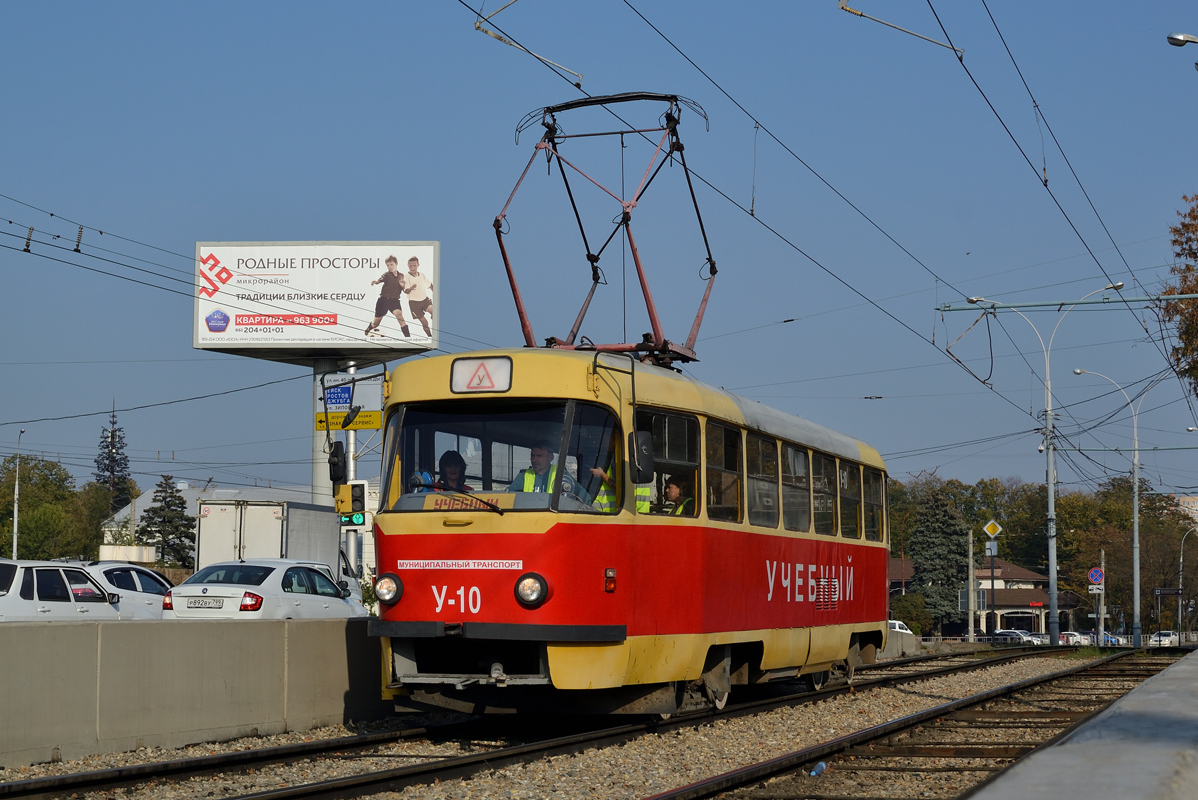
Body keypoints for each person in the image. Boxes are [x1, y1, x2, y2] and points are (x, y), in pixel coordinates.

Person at [509, 439, 588, 501]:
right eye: (532, 455)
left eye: (539, 456)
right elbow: (507, 496)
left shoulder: (560, 474)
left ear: (550, 458)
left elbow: (583, 497)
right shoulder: (524, 475)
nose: (534, 459)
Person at [365, 255, 410, 338]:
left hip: (394, 301)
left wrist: (403, 286)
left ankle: (408, 338)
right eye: (388, 265)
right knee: (375, 324)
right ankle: (369, 328)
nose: (389, 267)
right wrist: (376, 281)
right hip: (383, 301)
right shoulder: (387, 275)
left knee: (400, 318)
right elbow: (379, 280)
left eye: (391, 264)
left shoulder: (401, 276)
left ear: (396, 263)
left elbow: (404, 289)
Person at [402, 256, 434, 337]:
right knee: (425, 323)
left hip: (425, 300)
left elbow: (430, 285)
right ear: (408, 266)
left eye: (414, 265)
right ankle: (430, 336)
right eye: (410, 266)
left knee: (434, 311)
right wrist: (411, 287)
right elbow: (406, 291)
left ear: (418, 265)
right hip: (414, 304)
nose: (412, 268)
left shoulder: (422, 275)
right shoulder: (407, 277)